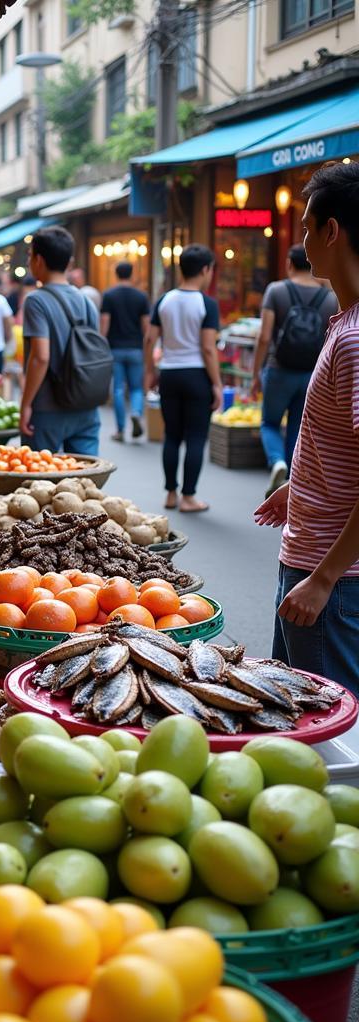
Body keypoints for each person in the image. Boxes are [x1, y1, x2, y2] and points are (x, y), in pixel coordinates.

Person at [254, 161, 359, 692]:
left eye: (305, 227)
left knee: (329, 745)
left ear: (332, 231)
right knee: (293, 722)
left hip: (334, 582)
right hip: (316, 566)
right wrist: (302, 485)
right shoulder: (342, 324)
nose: (301, 240)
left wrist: (322, 579)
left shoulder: (356, 339)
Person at [250, 244, 338, 496]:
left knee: (269, 423)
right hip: (312, 373)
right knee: (297, 428)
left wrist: (257, 372)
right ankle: (291, 482)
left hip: (279, 370)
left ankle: (276, 461)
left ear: (289, 263)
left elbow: (264, 336)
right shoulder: (330, 297)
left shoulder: (276, 291)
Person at [144, 244, 222, 513]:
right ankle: (188, 497)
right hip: (197, 375)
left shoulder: (164, 300)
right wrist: (217, 383)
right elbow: (208, 348)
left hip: (170, 374)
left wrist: (151, 372)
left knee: (172, 436)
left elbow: (149, 339)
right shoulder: (207, 304)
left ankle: (170, 493)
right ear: (205, 270)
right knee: (196, 437)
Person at [20, 227, 103, 455]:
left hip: (48, 407)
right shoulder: (87, 301)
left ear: (38, 259)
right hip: (85, 404)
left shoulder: (36, 301)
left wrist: (26, 403)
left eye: (29, 256)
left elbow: (41, 357)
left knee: (39, 483)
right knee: (85, 483)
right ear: (70, 262)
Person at [100, 261, 151, 442]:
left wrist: (101, 345)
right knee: (137, 387)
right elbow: (146, 327)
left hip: (115, 348)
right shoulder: (141, 296)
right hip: (135, 347)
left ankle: (120, 430)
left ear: (116, 274)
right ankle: (136, 412)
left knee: (118, 389)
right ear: (132, 274)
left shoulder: (109, 295)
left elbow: (104, 324)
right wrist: (148, 348)